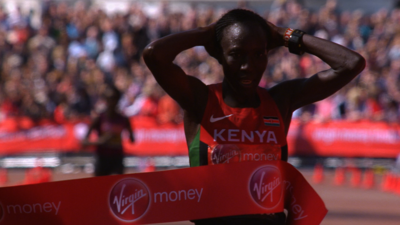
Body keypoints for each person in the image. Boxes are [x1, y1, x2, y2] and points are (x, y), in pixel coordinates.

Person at [143, 8, 365, 225]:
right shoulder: (200, 100)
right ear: (219, 54)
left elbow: (351, 63)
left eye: (259, 54)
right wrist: (206, 33)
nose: (248, 66)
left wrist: (285, 35)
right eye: (236, 54)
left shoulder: (280, 101)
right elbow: (154, 54)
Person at [82, 84, 134, 176]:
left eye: (114, 98)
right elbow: (84, 142)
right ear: (105, 100)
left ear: (118, 100)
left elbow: (133, 139)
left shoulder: (123, 119)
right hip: (102, 158)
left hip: (117, 159)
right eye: (109, 99)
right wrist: (101, 141)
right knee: (101, 188)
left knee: (118, 187)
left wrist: (123, 137)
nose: (111, 102)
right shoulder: (99, 118)